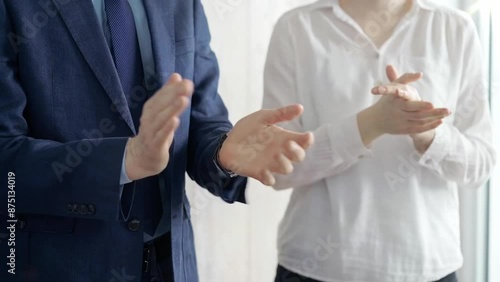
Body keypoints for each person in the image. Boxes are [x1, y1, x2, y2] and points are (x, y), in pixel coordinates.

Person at [0, 0, 314, 281]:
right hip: (60, 264)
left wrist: (222, 152)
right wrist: (124, 160)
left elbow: (201, 119)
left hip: (172, 262)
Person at [263, 0, 496, 281]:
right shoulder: (297, 27)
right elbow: (276, 169)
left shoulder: (455, 28)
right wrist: (370, 124)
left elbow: (482, 165)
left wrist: (427, 133)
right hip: (315, 268)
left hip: (427, 266)